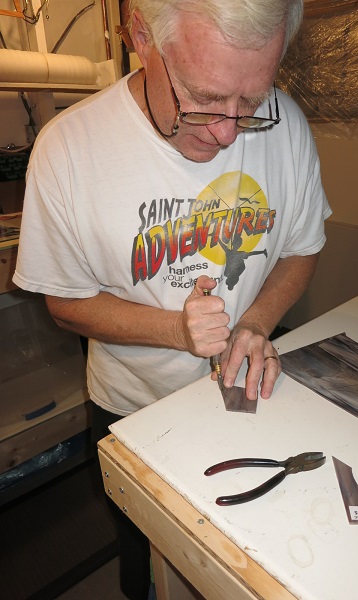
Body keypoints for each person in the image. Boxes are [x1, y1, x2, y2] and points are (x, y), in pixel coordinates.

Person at [13, 0, 331, 597]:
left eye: (251, 101)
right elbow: (65, 302)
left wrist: (256, 323)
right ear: (140, 35)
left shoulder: (287, 125)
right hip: (134, 410)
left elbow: (301, 248)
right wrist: (176, 331)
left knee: (247, 557)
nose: (227, 132)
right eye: (204, 98)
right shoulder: (67, 150)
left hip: (251, 398)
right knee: (149, 560)